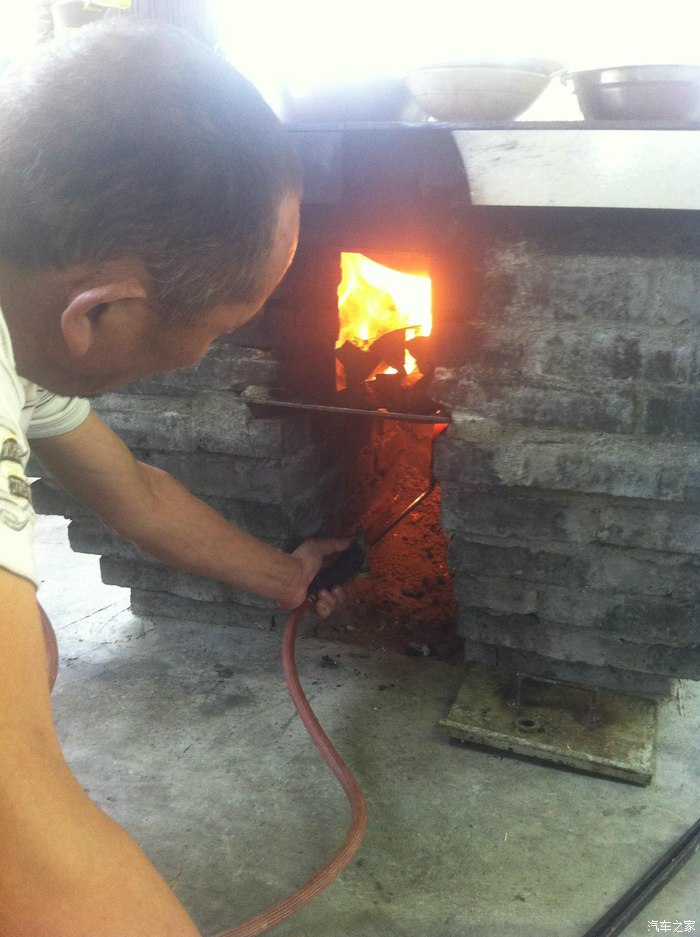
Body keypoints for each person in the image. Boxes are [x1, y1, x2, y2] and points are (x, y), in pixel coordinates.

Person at [0, 19, 346, 937]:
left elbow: (136, 492)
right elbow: (18, 836)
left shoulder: (22, 300)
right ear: (99, 312)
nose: (214, 349)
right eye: (224, 328)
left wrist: (288, 577)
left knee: (28, 641)